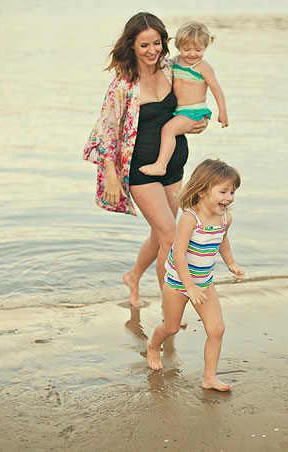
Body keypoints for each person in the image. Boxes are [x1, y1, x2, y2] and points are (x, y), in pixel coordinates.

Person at [83, 13, 207, 308]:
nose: (152, 51)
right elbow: (105, 132)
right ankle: (171, 308)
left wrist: (197, 121)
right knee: (171, 236)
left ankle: (133, 276)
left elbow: (190, 99)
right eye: (144, 45)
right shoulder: (123, 85)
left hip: (173, 166)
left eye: (157, 43)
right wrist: (112, 175)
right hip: (140, 171)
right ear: (132, 46)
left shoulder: (169, 68)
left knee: (160, 234)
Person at [146, 159, 244, 392]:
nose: (228, 198)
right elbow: (178, 254)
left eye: (232, 192)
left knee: (217, 329)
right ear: (202, 191)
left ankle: (209, 377)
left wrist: (231, 263)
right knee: (170, 328)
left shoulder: (225, 219)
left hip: (204, 283)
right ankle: (152, 345)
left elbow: (223, 240)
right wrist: (189, 287)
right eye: (223, 192)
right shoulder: (190, 218)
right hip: (178, 283)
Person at [138, 21, 228, 177]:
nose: (192, 54)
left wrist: (223, 112)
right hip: (179, 112)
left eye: (198, 50)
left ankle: (161, 165)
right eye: (187, 49)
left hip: (194, 111)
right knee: (169, 129)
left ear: (205, 48)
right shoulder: (174, 62)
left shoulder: (202, 67)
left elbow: (216, 89)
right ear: (178, 47)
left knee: (168, 129)